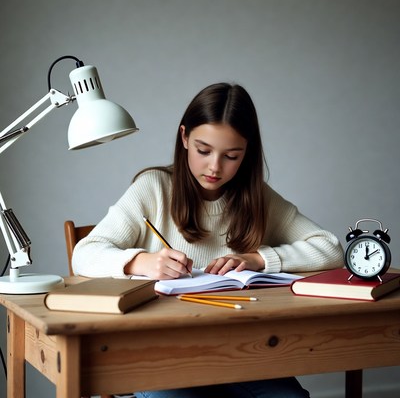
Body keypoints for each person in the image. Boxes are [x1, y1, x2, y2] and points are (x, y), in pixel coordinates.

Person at [73, 82, 343, 398]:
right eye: (204, 151)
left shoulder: (256, 198)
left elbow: (331, 248)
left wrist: (257, 259)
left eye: (231, 155)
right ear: (184, 137)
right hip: (161, 358)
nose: (215, 167)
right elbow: (85, 253)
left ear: (247, 153)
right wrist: (143, 262)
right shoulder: (154, 188)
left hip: (240, 354)